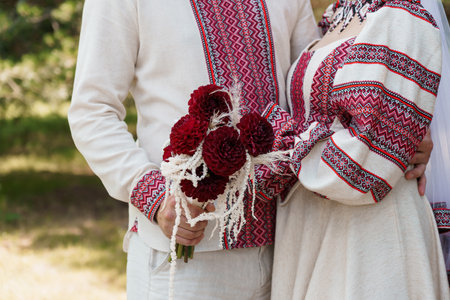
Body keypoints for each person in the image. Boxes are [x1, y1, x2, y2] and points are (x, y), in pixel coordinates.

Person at [68, 0, 434, 299]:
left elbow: (315, 93)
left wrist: (393, 130)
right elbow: (92, 111)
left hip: (288, 249)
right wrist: (154, 197)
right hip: (187, 251)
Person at [264, 0, 450, 298]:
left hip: (369, 231)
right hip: (309, 225)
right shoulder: (334, 16)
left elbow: (363, 165)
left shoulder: (403, 17)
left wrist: (282, 140)